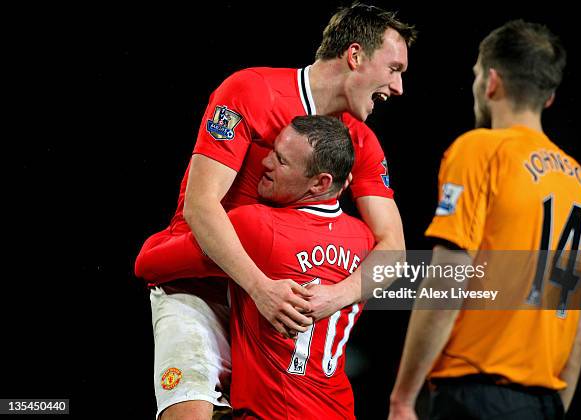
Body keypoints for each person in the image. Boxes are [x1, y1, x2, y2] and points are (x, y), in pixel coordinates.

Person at [135, 3, 416, 418]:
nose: (398, 87)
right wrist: (260, 286)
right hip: (201, 283)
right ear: (355, 56)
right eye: (394, 68)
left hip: (273, 307)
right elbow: (200, 205)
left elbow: (393, 247)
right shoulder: (250, 91)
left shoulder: (360, 143)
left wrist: (334, 295)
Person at [388, 20, 581, 420]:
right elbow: (580, 336)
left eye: (474, 76)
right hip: (544, 402)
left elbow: (449, 278)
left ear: (490, 82)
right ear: (548, 97)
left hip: (474, 397)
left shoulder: (479, 150)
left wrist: (403, 396)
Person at [149, 115, 374, 419]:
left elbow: (148, 263)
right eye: (271, 150)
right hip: (340, 410)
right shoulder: (366, 239)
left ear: (320, 182)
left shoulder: (255, 225)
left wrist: (231, 266)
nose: (264, 162)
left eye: (281, 160)